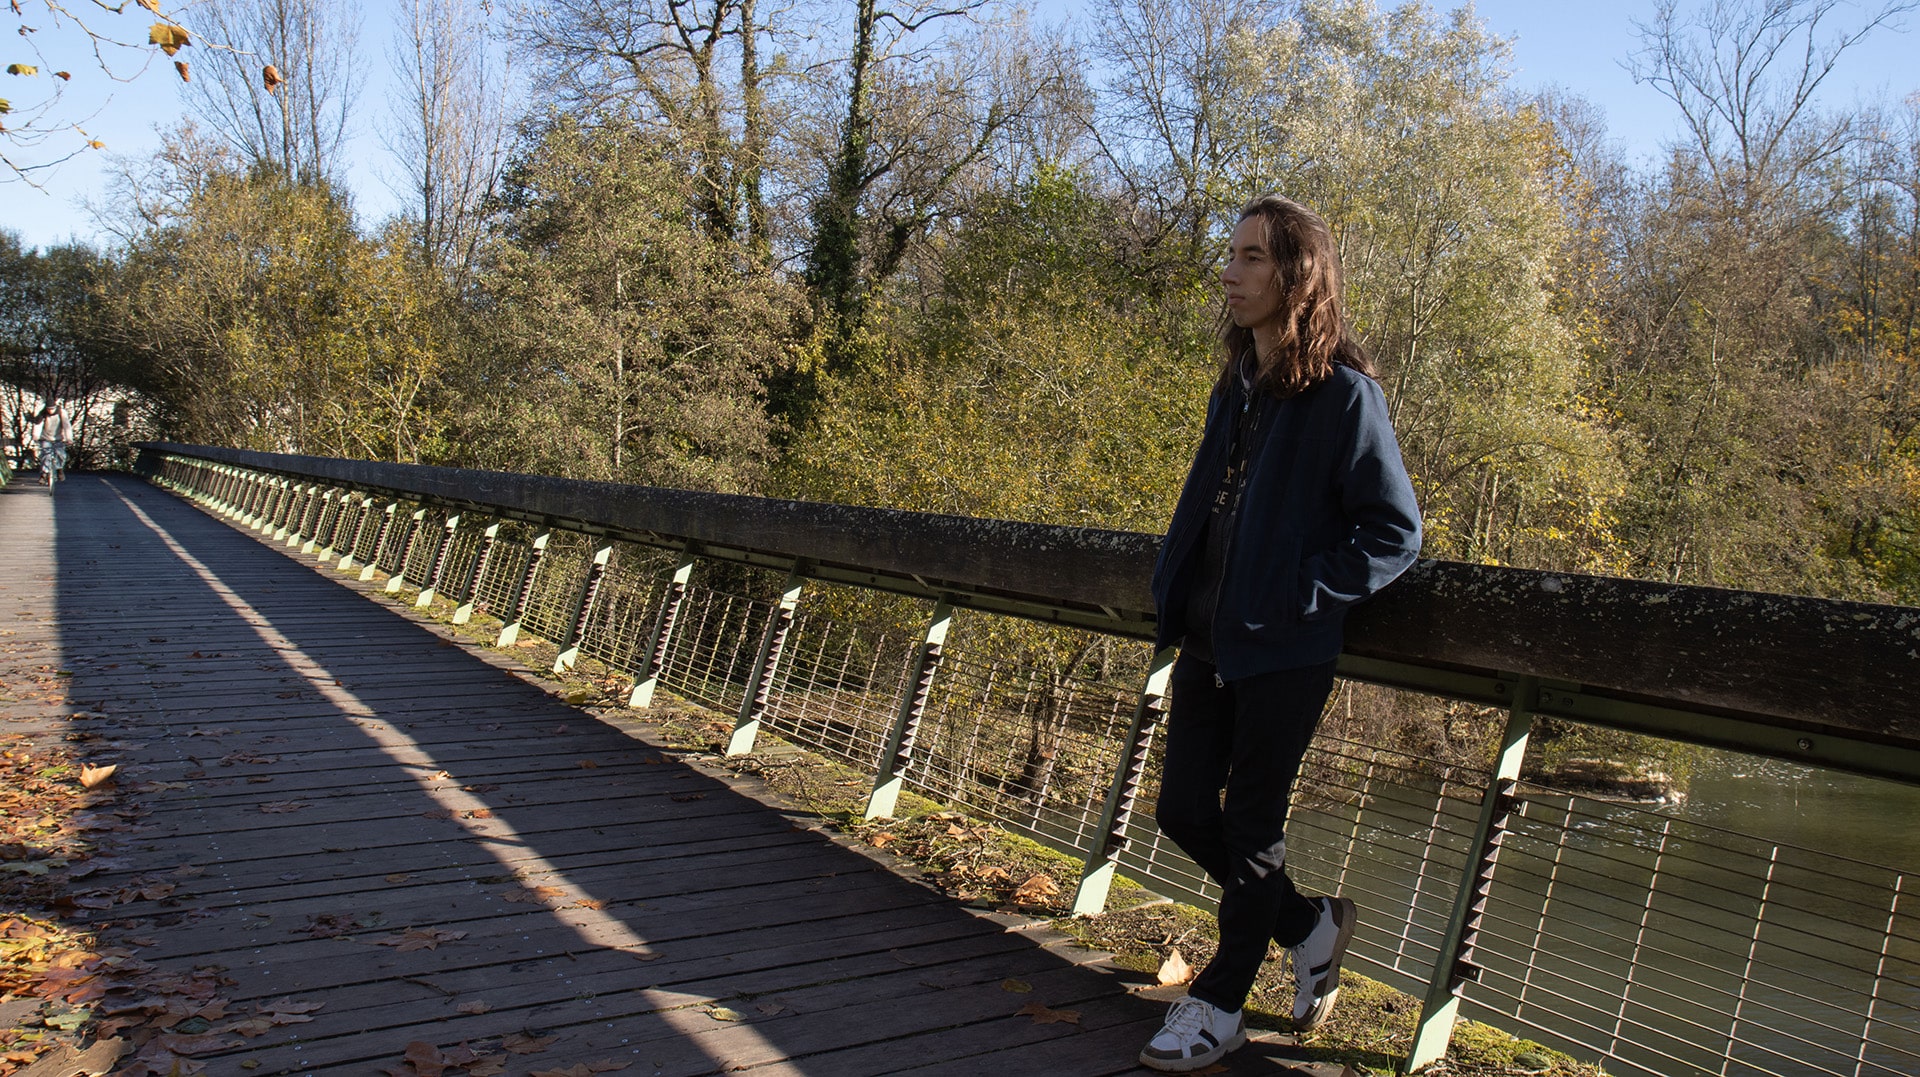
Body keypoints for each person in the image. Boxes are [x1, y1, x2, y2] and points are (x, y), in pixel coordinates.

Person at [1139, 195, 1423, 1072]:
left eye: (1254, 257)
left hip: (1286, 651)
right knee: (1184, 809)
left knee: (1253, 824)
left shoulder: (1346, 395)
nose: (1231, 271)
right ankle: (1307, 925)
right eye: (1232, 255)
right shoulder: (1239, 386)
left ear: (1298, 276)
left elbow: (1394, 530)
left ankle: (1221, 1002)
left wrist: (1300, 593)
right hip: (1209, 642)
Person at [32, 402, 72, 484]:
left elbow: (66, 425)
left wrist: (69, 438)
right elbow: (38, 425)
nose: (50, 411)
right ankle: (44, 474)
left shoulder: (61, 412)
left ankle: (59, 469)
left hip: (58, 438)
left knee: (61, 454)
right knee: (45, 455)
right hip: (46, 438)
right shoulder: (43, 413)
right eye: (48, 409)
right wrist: (36, 436)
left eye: (52, 409)